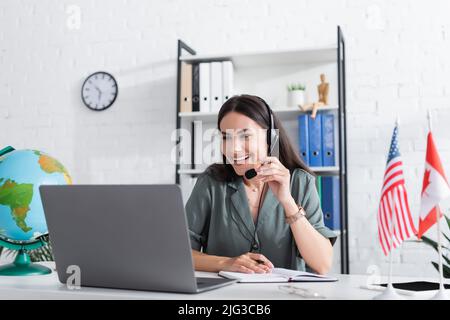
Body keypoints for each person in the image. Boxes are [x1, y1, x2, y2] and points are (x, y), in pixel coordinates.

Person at [185, 94, 336, 275]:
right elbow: (179, 252)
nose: (234, 149)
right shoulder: (211, 183)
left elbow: (322, 265)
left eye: (245, 136)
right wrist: (226, 263)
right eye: (226, 137)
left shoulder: (300, 182)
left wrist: (287, 201)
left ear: (270, 138)